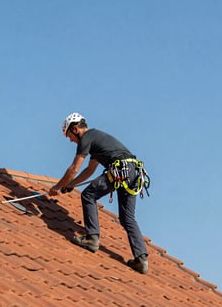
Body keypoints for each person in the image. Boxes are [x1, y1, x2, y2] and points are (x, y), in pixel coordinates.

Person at [49, 112, 148, 274]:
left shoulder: (86, 138)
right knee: (127, 217)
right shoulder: (96, 139)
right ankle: (141, 259)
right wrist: (71, 185)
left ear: (75, 129)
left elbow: (74, 169)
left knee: (88, 195)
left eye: (69, 136)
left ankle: (91, 238)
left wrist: (58, 187)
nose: (71, 141)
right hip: (134, 171)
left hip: (120, 169)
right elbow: (89, 170)